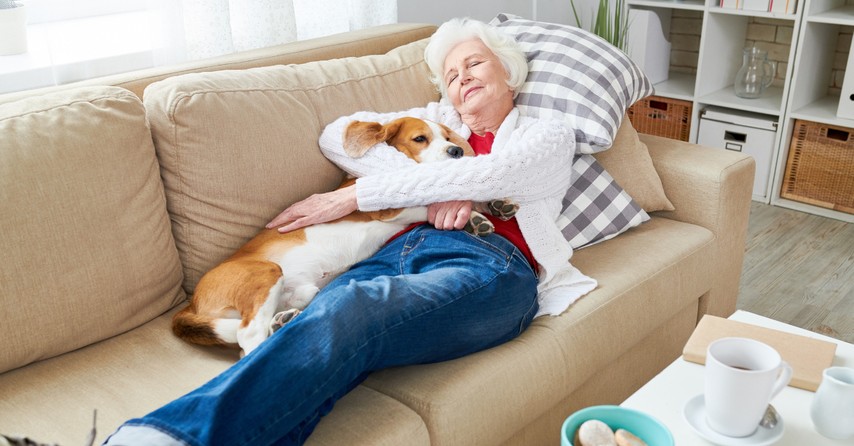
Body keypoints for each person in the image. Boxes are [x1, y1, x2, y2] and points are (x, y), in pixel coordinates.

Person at [103, 17, 596, 446]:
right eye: (450, 75)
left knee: (356, 307)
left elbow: (496, 173)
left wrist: (356, 196)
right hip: (389, 252)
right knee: (323, 330)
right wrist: (429, 189)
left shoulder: (546, 129)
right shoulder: (433, 125)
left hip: (491, 265)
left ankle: (166, 435)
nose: (460, 78)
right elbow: (339, 136)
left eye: (474, 64)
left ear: (507, 70)